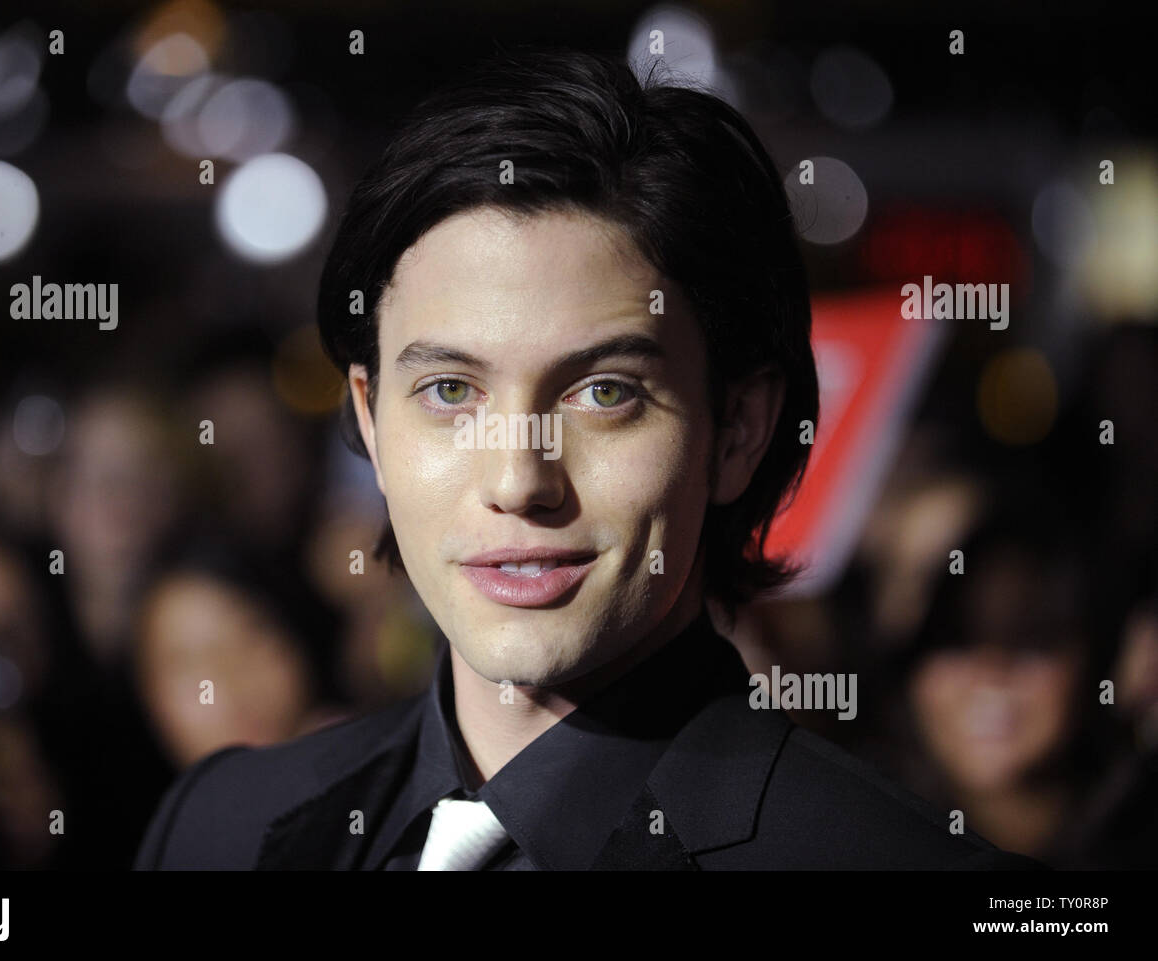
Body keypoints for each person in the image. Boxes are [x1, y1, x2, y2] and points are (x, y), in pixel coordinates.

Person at [135, 46, 1041, 870]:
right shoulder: (222, 828)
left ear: (738, 429)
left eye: (603, 393)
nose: (518, 479)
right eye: (450, 391)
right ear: (371, 422)